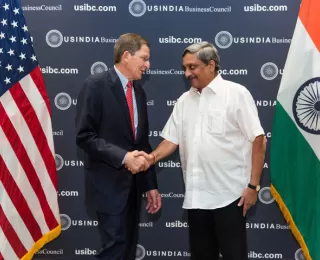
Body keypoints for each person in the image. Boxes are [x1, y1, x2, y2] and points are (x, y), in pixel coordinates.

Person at [135, 41, 266, 260]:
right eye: (185, 68)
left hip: (231, 197)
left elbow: (259, 141)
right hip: (196, 199)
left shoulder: (237, 94)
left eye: (192, 67)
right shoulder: (184, 101)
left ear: (211, 65)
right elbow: (171, 140)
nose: (187, 73)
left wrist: (253, 186)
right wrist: (151, 158)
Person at [75, 33, 161, 260]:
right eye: (144, 58)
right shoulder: (95, 85)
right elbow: (85, 136)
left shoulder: (139, 93)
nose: (147, 65)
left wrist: (150, 185)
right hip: (108, 189)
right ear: (126, 56)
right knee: (114, 251)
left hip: (133, 190)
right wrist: (124, 157)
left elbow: (141, 143)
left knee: (128, 252)